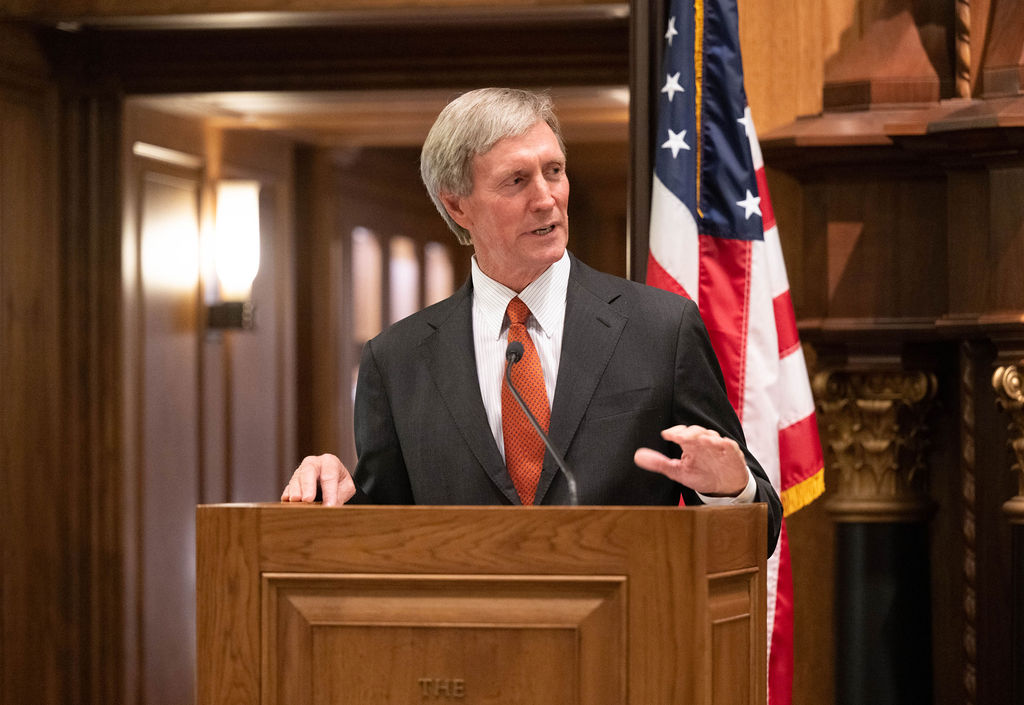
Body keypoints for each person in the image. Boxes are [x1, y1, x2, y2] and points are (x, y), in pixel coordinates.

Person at [282, 87, 782, 554]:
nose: (546, 198)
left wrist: (728, 490)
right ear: (456, 204)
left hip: (629, 613)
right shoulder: (396, 360)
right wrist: (334, 493)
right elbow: (384, 536)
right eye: (517, 181)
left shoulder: (660, 330)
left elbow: (759, 532)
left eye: (554, 171)